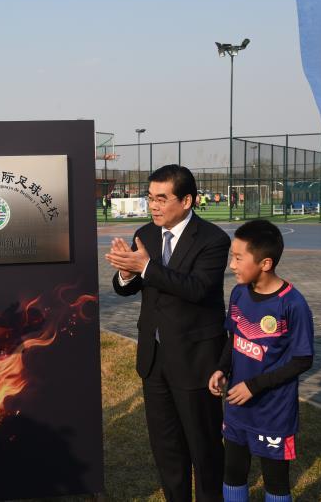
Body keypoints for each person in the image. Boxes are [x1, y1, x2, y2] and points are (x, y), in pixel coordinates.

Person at [105, 164, 230, 501]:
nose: (154, 206)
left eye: (162, 198)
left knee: (203, 449)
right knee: (167, 448)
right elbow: (128, 289)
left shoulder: (213, 239)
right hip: (154, 358)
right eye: (150, 198)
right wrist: (126, 274)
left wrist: (144, 267)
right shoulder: (145, 234)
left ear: (187, 200)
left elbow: (197, 288)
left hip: (195, 360)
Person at [208, 219, 314, 502]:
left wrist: (254, 386)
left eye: (239, 257)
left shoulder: (292, 304)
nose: (232, 264)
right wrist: (221, 368)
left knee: (276, 481)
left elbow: (302, 360)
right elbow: (234, 336)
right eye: (233, 256)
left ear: (265, 263)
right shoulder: (239, 293)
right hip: (236, 406)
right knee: (233, 471)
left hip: (273, 413)